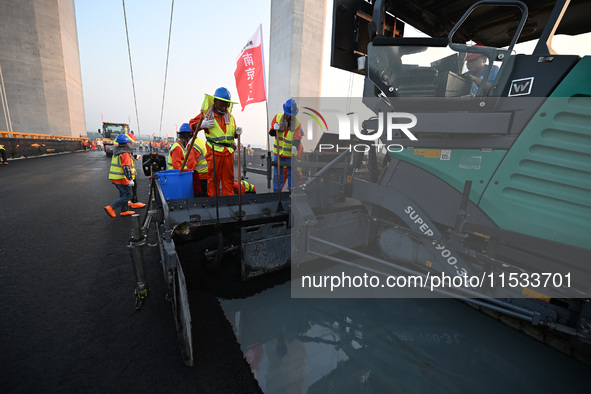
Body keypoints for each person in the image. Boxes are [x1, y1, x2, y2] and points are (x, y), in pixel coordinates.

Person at [189, 87, 242, 197]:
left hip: (228, 152)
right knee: (213, 178)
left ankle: (229, 200)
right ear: (215, 102)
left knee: (229, 178)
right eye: (221, 104)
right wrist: (201, 125)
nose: (224, 107)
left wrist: (237, 133)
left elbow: (233, 135)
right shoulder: (207, 115)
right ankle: (213, 201)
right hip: (214, 152)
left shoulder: (230, 117)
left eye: (226, 104)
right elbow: (192, 124)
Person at [269, 98, 302, 193]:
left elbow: (297, 138)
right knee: (277, 175)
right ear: (284, 112)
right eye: (287, 115)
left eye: (291, 116)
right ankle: (276, 193)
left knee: (292, 174)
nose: (289, 117)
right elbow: (271, 132)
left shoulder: (297, 123)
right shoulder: (277, 118)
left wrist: (295, 147)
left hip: (290, 155)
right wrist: (274, 130)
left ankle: (292, 193)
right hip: (278, 154)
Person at [104, 134, 136, 217]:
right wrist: (130, 179)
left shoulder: (117, 152)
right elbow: (126, 167)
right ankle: (111, 207)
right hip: (122, 178)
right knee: (129, 195)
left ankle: (124, 211)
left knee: (123, 194)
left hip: (115, 178)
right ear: (126, 144)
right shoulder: (125, 153)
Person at [168, 124, 202, 196]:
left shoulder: (181, 147)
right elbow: (176, 167)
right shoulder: (177, 148)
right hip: (178, 177)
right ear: (184, 138)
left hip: (181, 175)